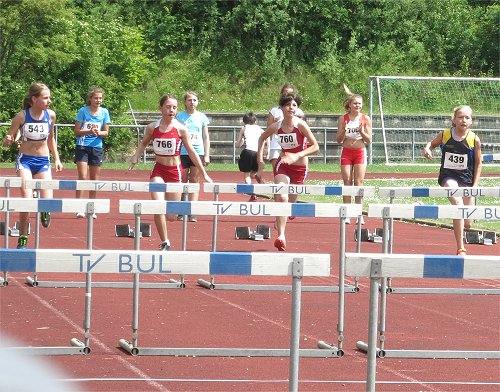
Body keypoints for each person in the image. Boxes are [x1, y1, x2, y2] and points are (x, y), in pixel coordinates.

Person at [129, 94, 212, 251]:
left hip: (175, 172)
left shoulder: (181, 129)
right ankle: (165, 241)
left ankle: (170, 212)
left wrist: (204, 173)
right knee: (157, 205)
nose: (171, 110)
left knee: (172, 217)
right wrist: (135, 158)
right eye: (168, 107)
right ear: (160, 108)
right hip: (158, 170)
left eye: (174, 107)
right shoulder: (152, 127)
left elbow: (192, 152)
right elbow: (143, 143)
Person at [2, 83, 63, 249]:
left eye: (49, 97)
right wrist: (7, 140)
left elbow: (51, 139)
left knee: (48, 200)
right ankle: (23, 235)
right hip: (25, 161)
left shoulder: (50, 116)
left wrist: (57, 158)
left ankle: (44, 209)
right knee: (27, 200)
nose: (49, 100)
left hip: (43, 161)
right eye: (45, 98)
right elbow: (8, 138)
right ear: (34, 99)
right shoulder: (21, 116)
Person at [257, 94, 319, 252]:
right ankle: (281, 236)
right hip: (282, 164)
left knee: (290, 205)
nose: (291, 108)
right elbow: (262, 138)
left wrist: (297, 155)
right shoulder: (276, 126)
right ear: (282, 108)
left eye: (294, 105)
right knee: (282, 196)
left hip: (300, 168)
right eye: (288, 105)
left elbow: (315, 146)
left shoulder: (301, 125)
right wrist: (260, 159)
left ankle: (283, 217)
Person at [423, 105, 482, 256]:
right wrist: (428, 149)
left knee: (468, 222)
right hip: (448, 177)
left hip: (467, 180)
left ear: (471, 121)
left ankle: (461, 225)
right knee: (458, 204)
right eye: (460, 117)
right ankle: (460, 248)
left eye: (467, 117)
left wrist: (475, 185)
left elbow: (478, 163)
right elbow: (432, 143)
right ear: (454, 119)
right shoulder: (445, 134)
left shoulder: (474, 139)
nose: (463, 120)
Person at [336, 84, 372, 225]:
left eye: (359, 103)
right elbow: (338, 140)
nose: (357, 106)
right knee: (347, 182)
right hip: (346, 152)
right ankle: (347, 213)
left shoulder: (365, 118)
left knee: (358, 182)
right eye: (355, 103)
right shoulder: (343, 119)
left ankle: (359, 213)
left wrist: (361, 131)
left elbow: (369, 140)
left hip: (360, 152)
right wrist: (344, 130)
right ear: (349, 105)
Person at [73, 87, 111, 218]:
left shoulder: (104, 112)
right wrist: (88, 131)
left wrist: (98, 132)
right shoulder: (83, 111)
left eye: (100, 98)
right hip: (82, 146)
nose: (98, 100)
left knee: (94, 179)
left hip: (96, 147)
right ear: (90, 99)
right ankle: (78, 207)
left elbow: (106, 132)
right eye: (96, 98)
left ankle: (91, 207)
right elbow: (76, 131)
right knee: (83, 176)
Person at [175, 91, 210, 222]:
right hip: (182, 151)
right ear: (185, 102)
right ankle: (181, 209)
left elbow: (206, 137)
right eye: (189, 100)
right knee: (182, 179)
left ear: (198, 102)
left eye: (194, 100)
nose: (192, 102)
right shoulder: (179, 116)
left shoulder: (202, 117)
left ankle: (192, 210)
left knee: (194, 179)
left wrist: (207, 154)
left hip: (197, 151)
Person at [266, 83, 305, 172]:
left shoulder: (298, 111)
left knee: (291, 172)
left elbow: (304, 129)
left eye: (290, 93)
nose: (287, 95)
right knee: (278, 171)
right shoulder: (274, 111)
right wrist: (276, 124)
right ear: (281, 94)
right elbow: (268, 129)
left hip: (292, 146)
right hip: (276, 144)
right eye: (285, 93)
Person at [235, 112, 268, 201]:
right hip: (257, 153)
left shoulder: (244, 128)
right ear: (255, 121)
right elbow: (267, 138)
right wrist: (267, 151)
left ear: (244, 121)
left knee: (247, 175)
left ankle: (252, 193)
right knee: (253, 173)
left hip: (247, 152)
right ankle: (258, 176)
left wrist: (240, 142)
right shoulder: (259, 129)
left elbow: (238, 144)